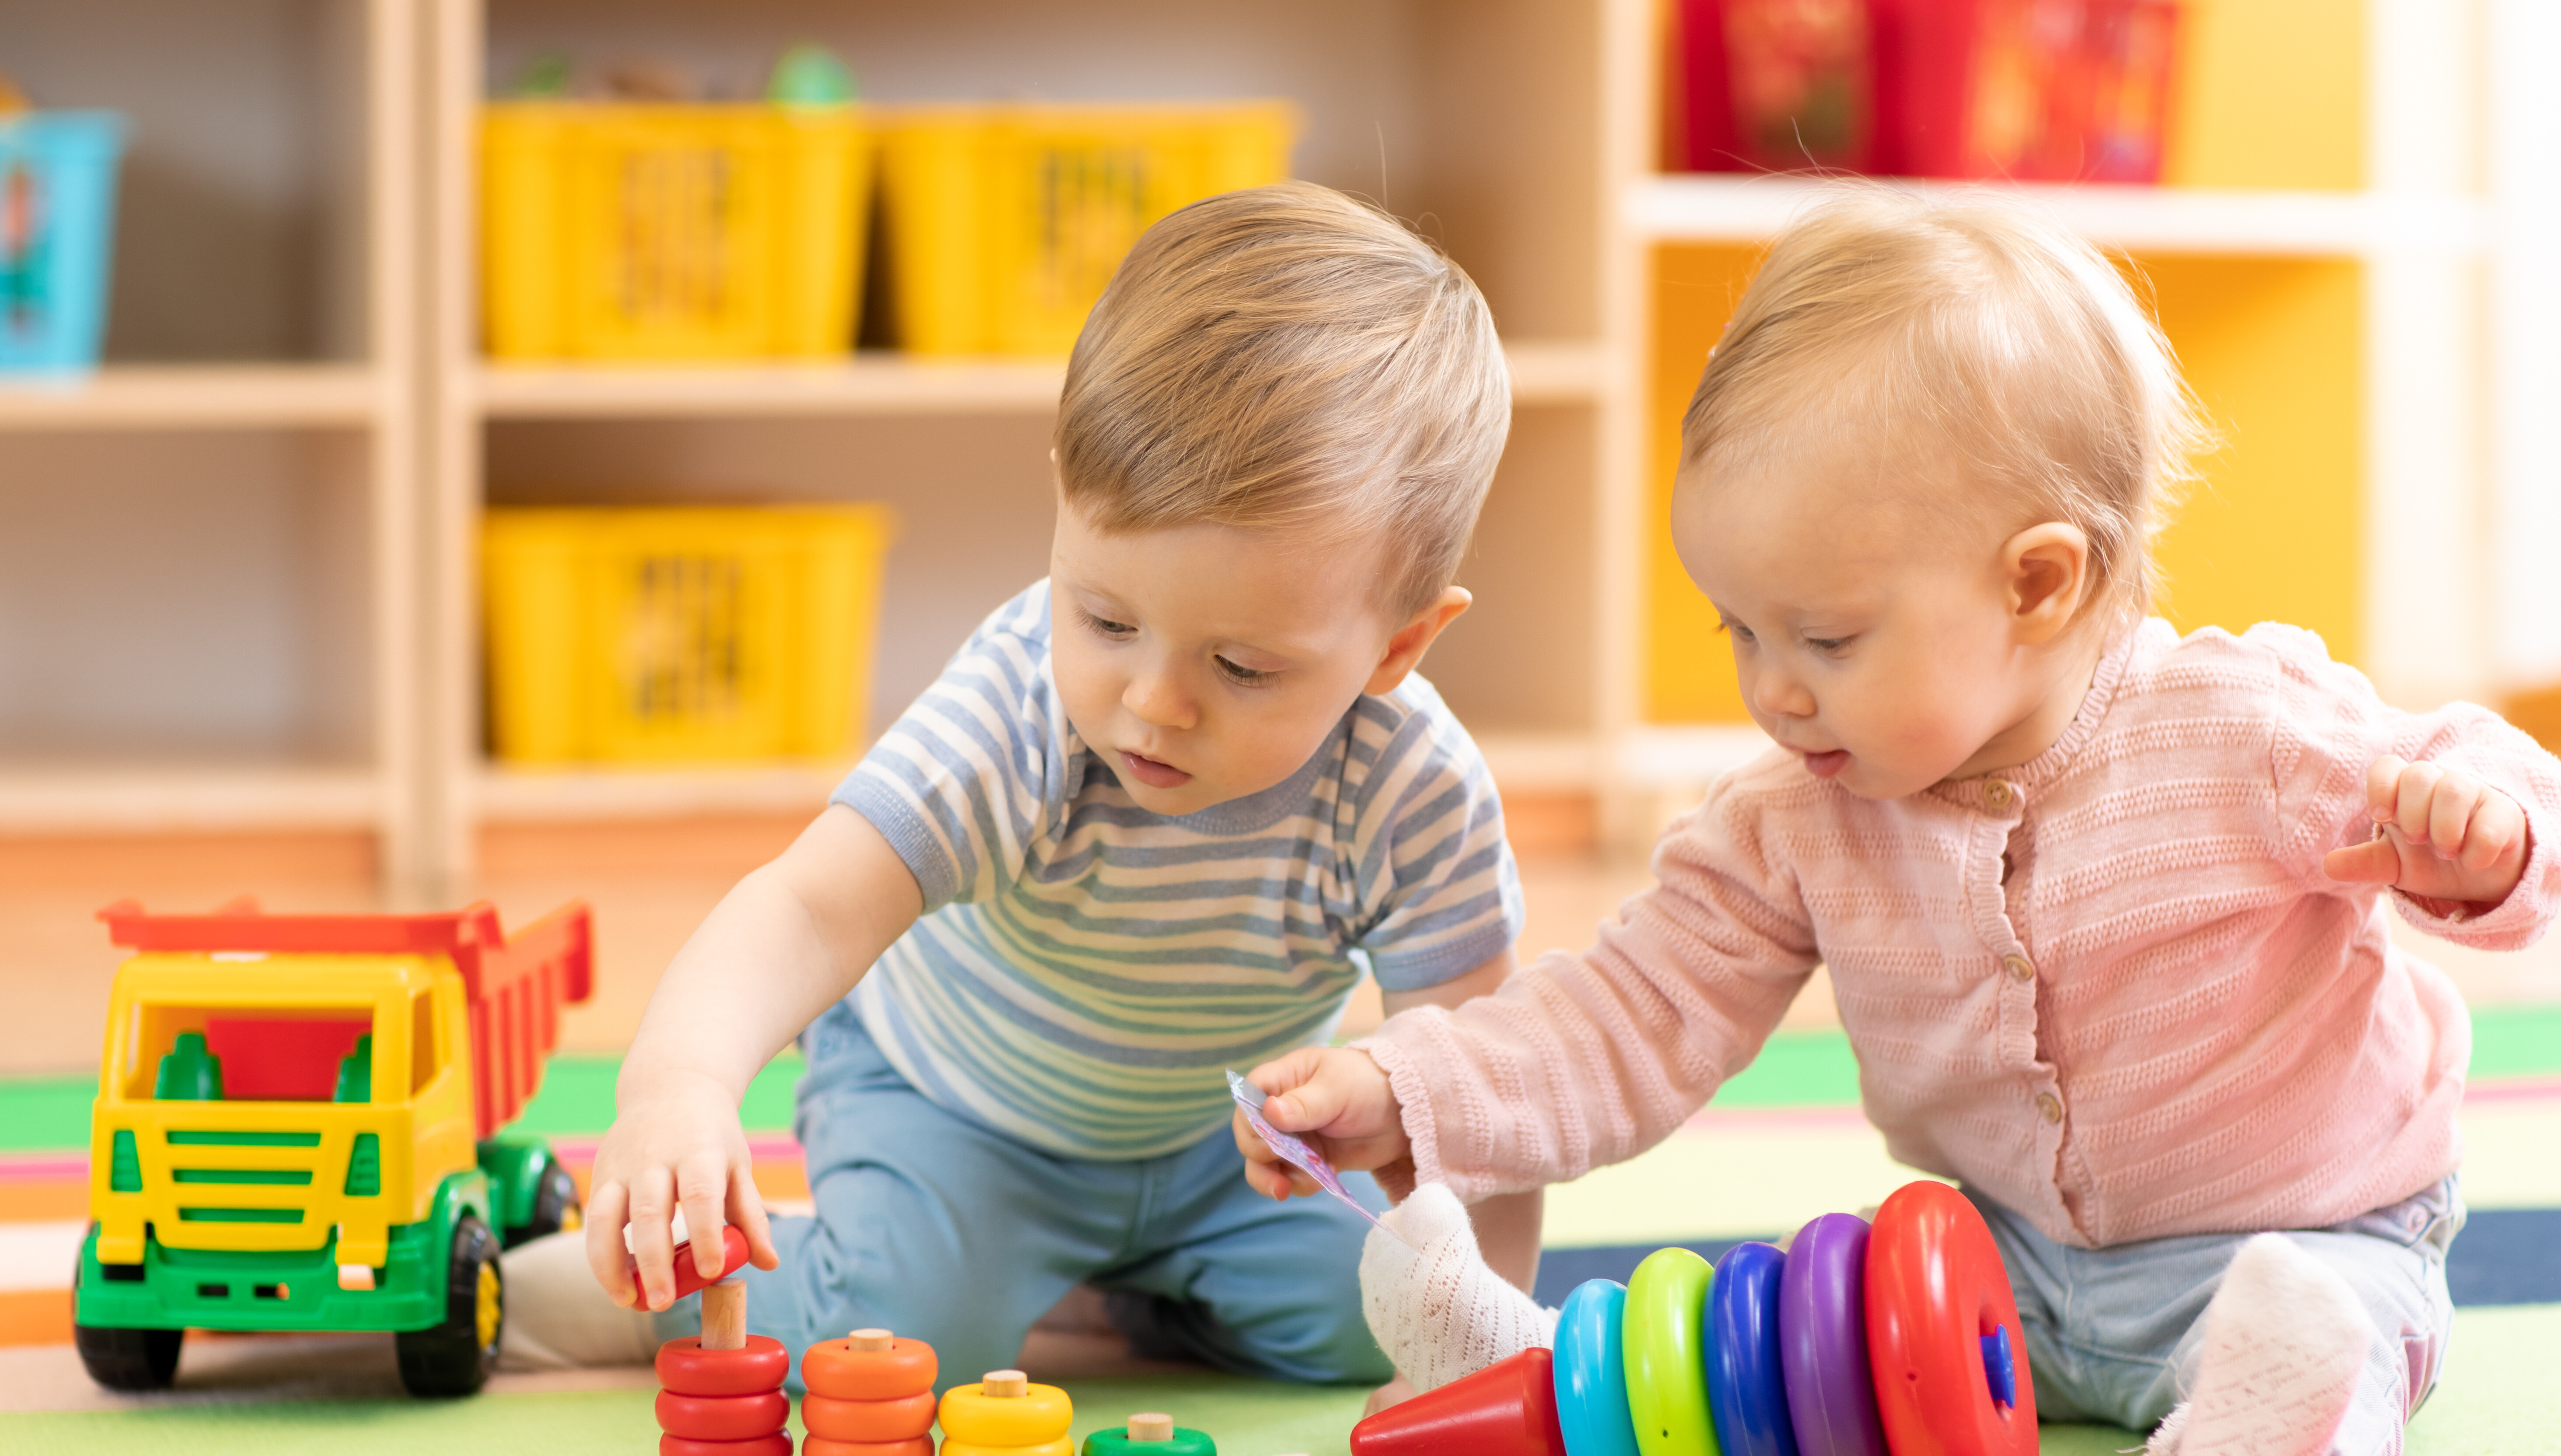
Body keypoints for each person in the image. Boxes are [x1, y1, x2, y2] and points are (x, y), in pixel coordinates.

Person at [1237, 186, 2560, 1456]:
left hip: (2300, 1241)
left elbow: (2481, 777)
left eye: (1824, 636)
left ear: (2036, 585)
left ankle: (2264, 1424)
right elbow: (1627, 1013)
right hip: (1998, 1267)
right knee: (1799, 1344)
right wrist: (1405, 1088)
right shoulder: (1792, 819)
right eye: (1740, 630)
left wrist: (2482, 831)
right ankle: (1533, 1375)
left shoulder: (2241, 729)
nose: (1772, 689)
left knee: (2336, 1342)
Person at [496, 181, 1544, 1392]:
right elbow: (803, 910)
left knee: (1382, 1316)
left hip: (1224, 1146)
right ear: (1062, 501)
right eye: (1102, 615)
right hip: (955, 1111)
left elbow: (1470, 1085)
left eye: (1242, 665)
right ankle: (658, 1297)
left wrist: (1483, 1327)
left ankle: (1136, 1289)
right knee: (899, 1346)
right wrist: (676, 1087)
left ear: (1399, 648)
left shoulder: (1414, 789)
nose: (1152, 700)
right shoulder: (1017, 717)